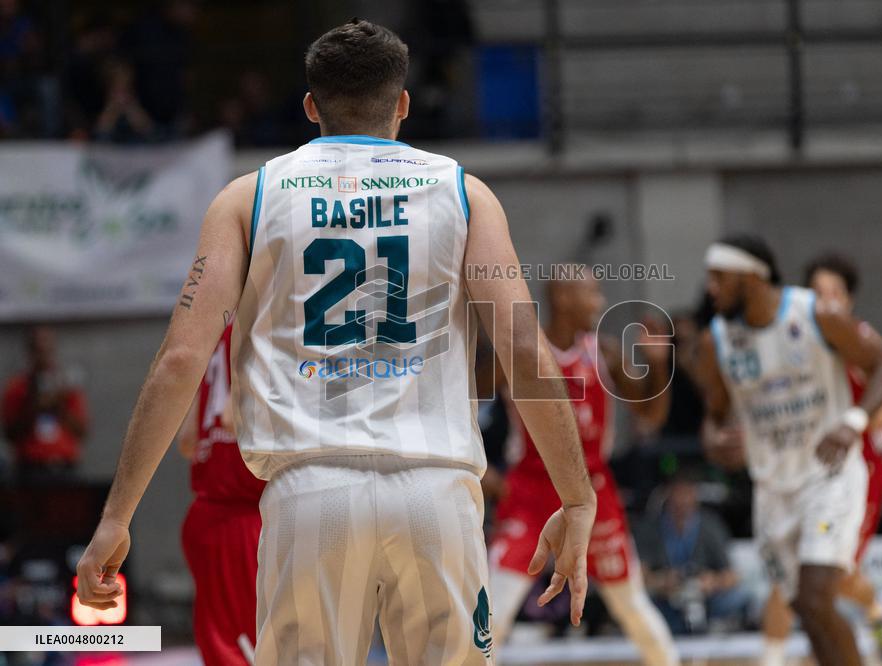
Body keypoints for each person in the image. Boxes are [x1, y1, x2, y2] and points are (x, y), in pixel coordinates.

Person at [75, 19, 596, 666]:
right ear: (402, 104)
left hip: (308, 494)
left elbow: (182, 358)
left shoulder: (248, 196)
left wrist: (116, 515)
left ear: (311, 107)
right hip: (434, 495)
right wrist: (576, 495)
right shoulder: (463, 192)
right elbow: (523, 348)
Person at [698, 235, 882, 666]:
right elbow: (714, 416)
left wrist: (853, 423)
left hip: (829, 477)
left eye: (719, 277)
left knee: (816, 596)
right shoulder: (716, 341)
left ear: (750, 276)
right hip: (772, 489)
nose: (710, 288)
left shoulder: (814, 314)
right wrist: (715, 442)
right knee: (808, 613)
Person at [489, 271, 680, 665]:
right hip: (530, 491)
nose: (599, 300)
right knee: (492, 612)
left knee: (630, 604)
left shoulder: (605, 352)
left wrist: (658, 366)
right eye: (591, 291)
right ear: (561, 295)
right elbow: (459, 405)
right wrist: (483, 472)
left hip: (592, 492)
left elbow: (651, 415)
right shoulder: (519, 351)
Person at [756, 252, 882, 665]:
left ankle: (871, 614)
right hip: (798, 472)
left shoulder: (858, 339)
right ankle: (877, 612)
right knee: (793, 582)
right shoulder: (788, 341)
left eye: (834, 293)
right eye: (817, 292)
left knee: (818, 581)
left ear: (849, 300)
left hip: (854, 474)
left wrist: (849, 421)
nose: (826, 300)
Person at [177, 322, 266, 666]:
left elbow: (187, 441)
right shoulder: (259, 319)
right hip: (244, 519)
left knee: (225, 650)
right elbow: (231, 416)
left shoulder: (213, 329)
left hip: (206, 516)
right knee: (252, 653)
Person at [635, 472, 750, 635]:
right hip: (666, 596)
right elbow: (639, 575)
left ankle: (711, 628)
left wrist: (712, 581)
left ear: (695, 497)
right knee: (642, 601)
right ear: (668, 496)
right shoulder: (649, 527)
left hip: (705, 596)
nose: (682, 501)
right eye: (678, 495)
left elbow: (731, 575)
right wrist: (660, 581)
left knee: (738, 596)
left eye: (687, 495)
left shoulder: (711, 525)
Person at [2, 326, 88, 483]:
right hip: (30, 468)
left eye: (47, 351)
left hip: (65, 467)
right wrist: (34, 406)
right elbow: (10, 434)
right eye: (38, 351)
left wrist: (59, 406)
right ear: (30, 353)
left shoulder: (66, 387)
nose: (43, 357)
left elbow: (82, 431)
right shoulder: (17, 388)